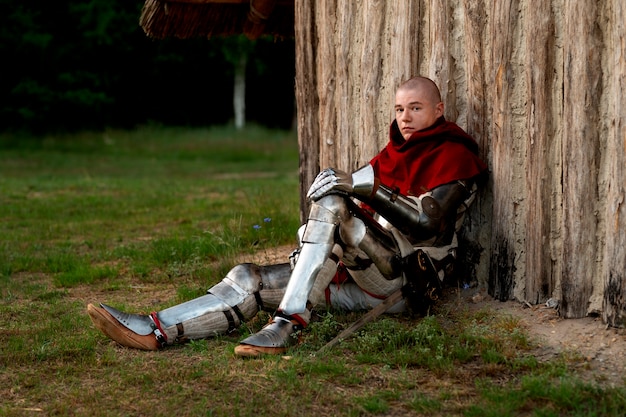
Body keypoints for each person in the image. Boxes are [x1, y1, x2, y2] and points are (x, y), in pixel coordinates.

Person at [87, 76, 488, 357]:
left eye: (416, 108)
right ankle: (155, 328)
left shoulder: (456, 155)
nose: (405, 117)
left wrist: (358, 186)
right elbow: (360, 213)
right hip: (358, 273)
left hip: (405, 278)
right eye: (400, 108)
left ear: (438, 110)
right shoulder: (390, 156)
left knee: (334, 202)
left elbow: (428, 224)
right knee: (249, 278)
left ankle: (288, 325)